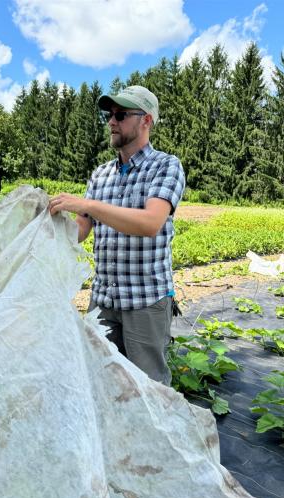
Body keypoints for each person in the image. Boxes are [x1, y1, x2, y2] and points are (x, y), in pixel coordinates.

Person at [49, 85, 185, 386]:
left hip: (145, 301)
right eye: (109, 114)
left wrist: (88, 204)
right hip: (103, 300)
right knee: (101, 381)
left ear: (146, 120)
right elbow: (81, 230)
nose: (112, 121)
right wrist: (48, 224)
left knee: (149, 389)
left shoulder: (165, 167)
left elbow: (151, 222)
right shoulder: (101, 175)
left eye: (121, 114)